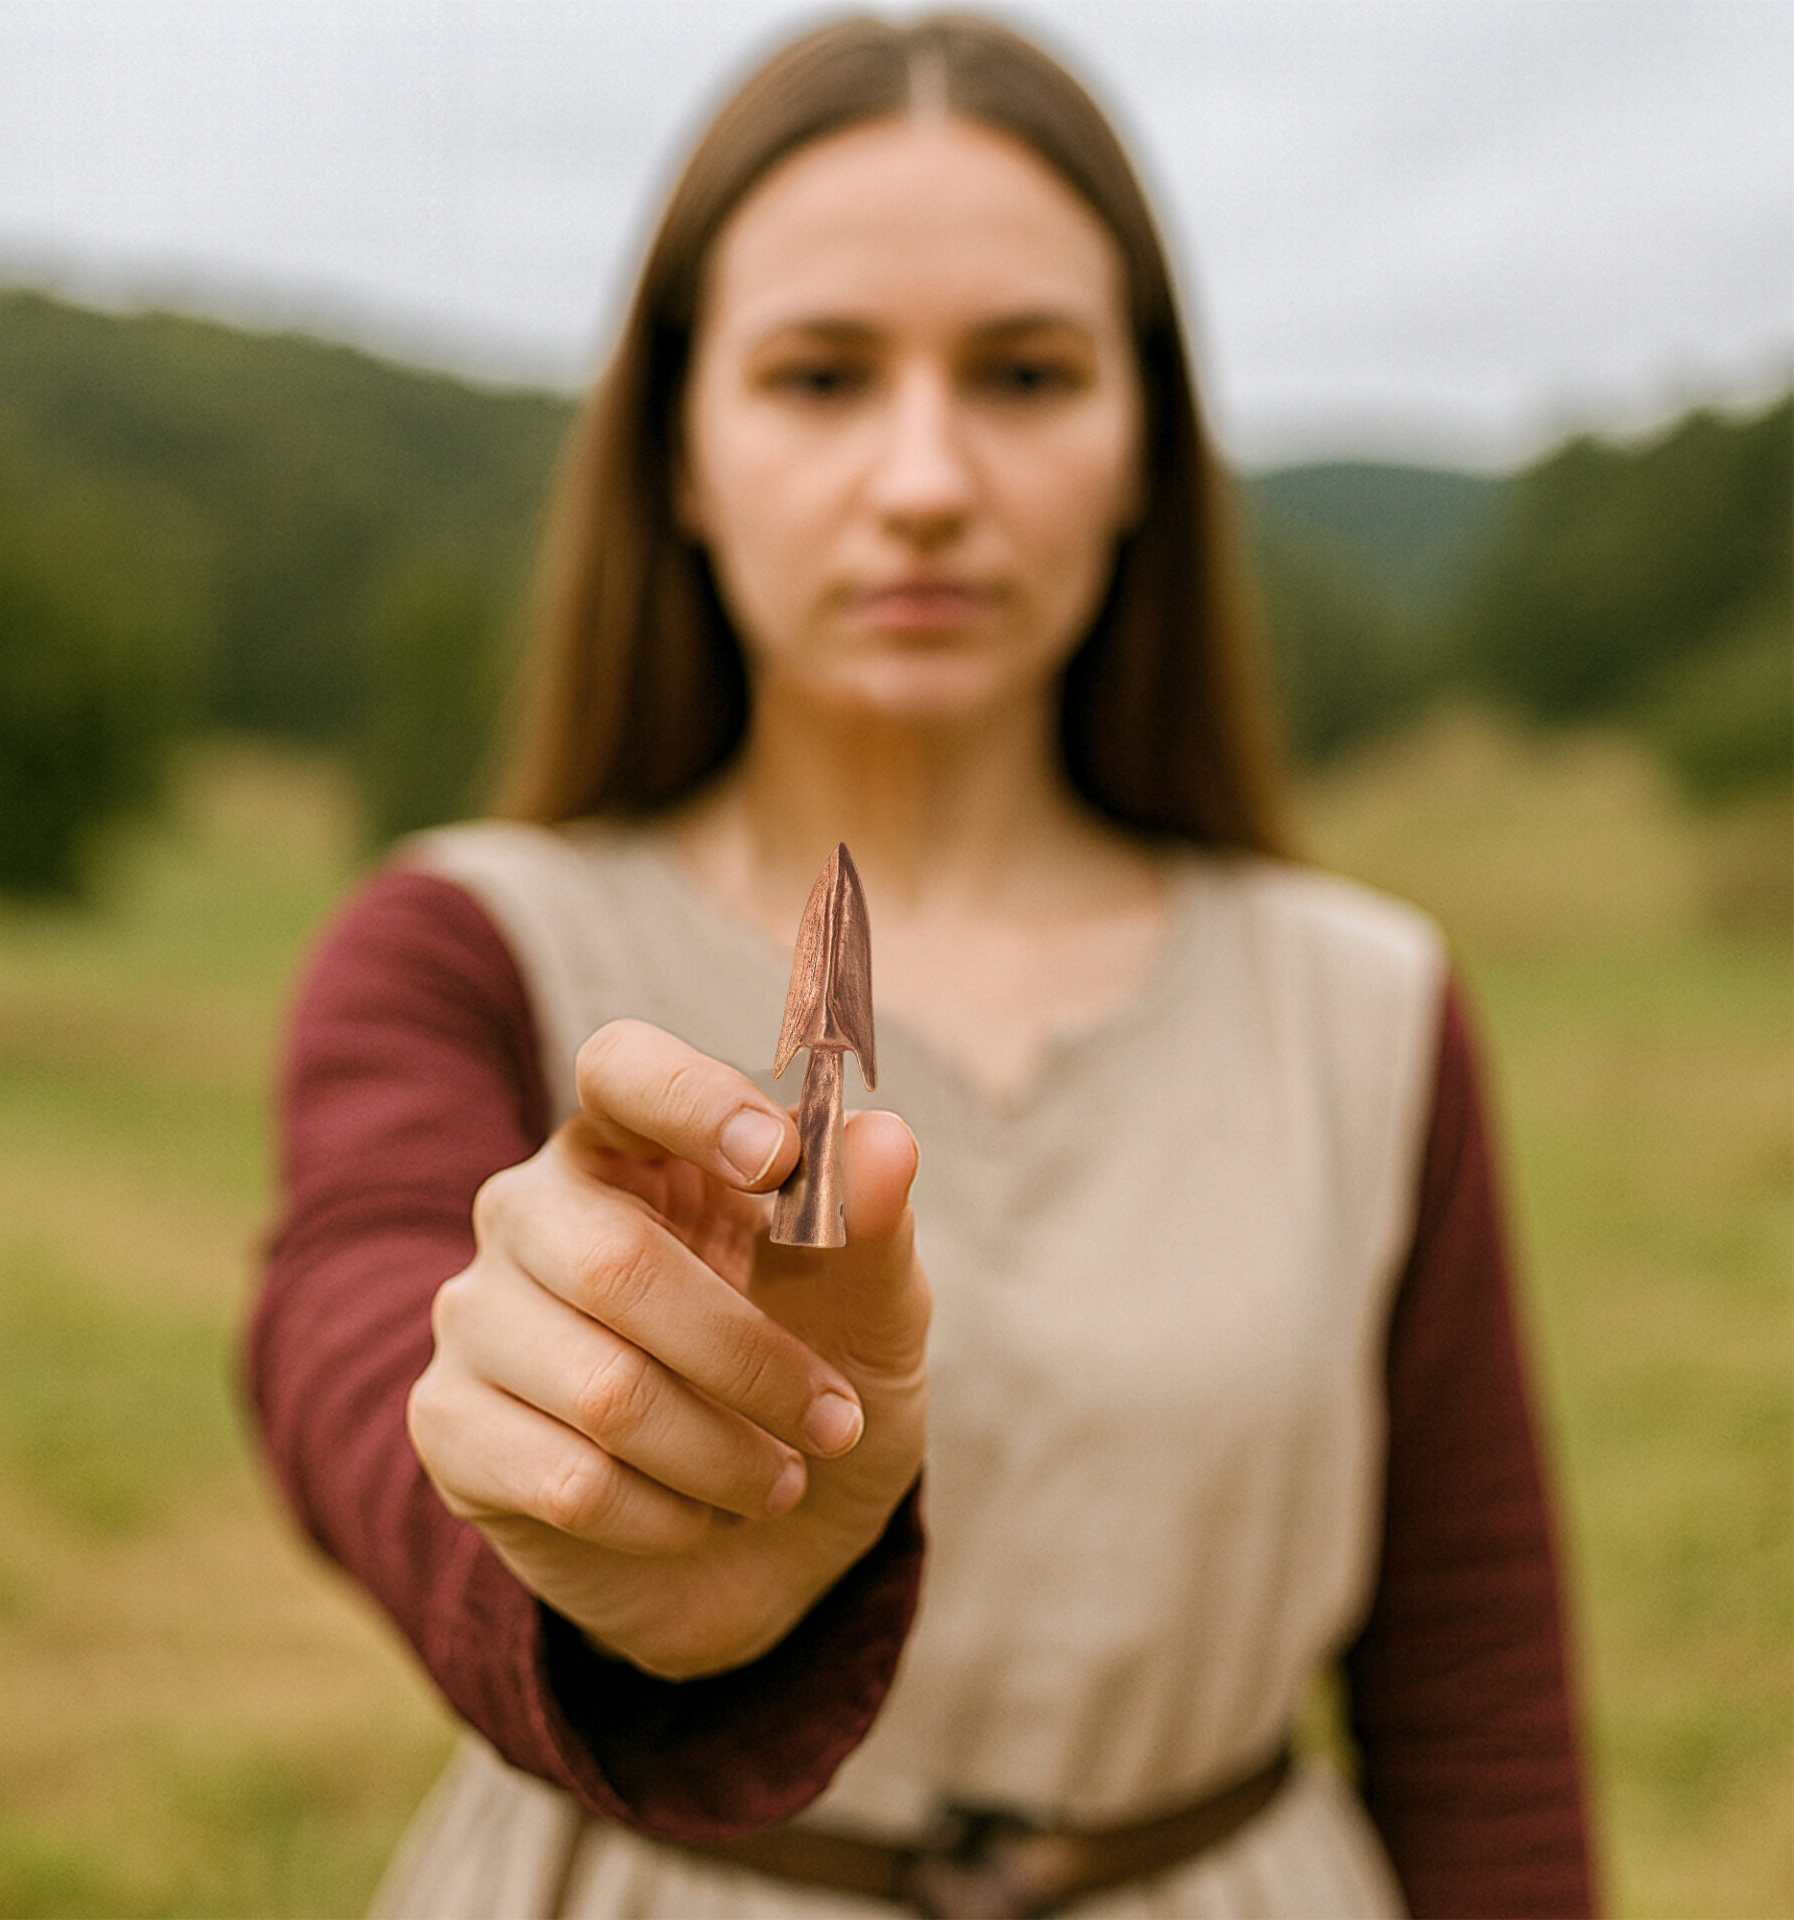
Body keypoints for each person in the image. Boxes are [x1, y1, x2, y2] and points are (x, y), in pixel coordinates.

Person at [246, 13, 1594, 1916]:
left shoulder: (1364, 1002)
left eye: (1028, 373)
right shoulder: (469, 943)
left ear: (1146, 446)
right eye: (818, 376)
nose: (928, 478)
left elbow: (1473, 1685)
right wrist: (577, 1509)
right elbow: (356, 1328)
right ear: (682, 456)